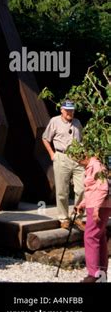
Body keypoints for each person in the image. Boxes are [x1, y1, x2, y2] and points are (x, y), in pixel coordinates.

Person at [42, 101, 85, 230]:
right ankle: (63, 218)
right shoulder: (54, 121)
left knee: (82, 188)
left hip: (78, 158)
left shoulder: (77, 123)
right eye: (67, 110)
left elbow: (82, 140)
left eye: (72, 110)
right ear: (61, 110)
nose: (70, 113)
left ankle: (77, 217)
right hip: (62, 157)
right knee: (62, 191)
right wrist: (52, 154)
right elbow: (45, 138)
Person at [76, 154, 111, 282]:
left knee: (90, 237)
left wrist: (96, 208)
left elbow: (103, 188)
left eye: (77, 159)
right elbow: (92, 188)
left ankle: (93, 275)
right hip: (96, 205)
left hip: (99, 206)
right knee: (99, 237)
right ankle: (101, 274)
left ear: (84, 155)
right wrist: (82, 203)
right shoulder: (92, 165)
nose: (77, 163)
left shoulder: (96, 164)